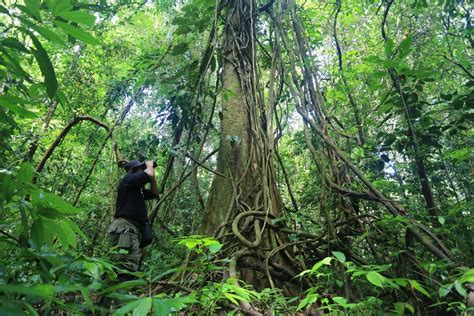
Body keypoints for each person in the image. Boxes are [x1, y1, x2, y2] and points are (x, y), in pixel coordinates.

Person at [107, 160, 158, 278]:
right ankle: (118, 295)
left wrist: (152, 177)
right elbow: (148, 174)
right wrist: (149, 165)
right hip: (126, 230)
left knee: (120, 267)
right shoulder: (128, 180)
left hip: (131, 231)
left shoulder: (137, 189)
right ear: (135, 170)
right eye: (142, 168)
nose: (144, 170)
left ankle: (111, 294)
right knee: (126, 268)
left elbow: (154, 193)